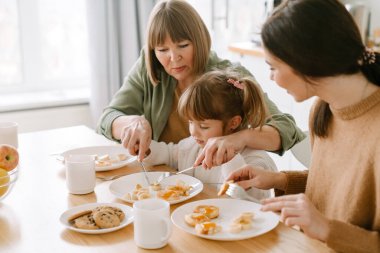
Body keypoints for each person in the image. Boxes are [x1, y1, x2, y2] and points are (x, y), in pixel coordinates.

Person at [225, 0, 380, 252]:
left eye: (273, 67)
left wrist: (328, 229)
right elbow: (331, 187)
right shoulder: (323, 108)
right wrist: (278, 179)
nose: (271, 77)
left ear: (308, 60)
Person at [96, 0, 305, 163]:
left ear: (200, 39)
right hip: (165, 181)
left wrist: (240, 138)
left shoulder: (229, 75)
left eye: (183, 45)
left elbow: (287, 128)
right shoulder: (149, 67)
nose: (173, 58)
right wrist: (131, 123)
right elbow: (107, 118)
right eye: (162, 50)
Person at [142, 70, 277, 200]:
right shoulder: (193, 145)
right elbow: (170, 154)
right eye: (190, 122)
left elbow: (248, 199)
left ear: (233, 123)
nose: (193, 132)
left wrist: (230, 159)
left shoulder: (255, 160)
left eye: (203, 126)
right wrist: (146, 148)